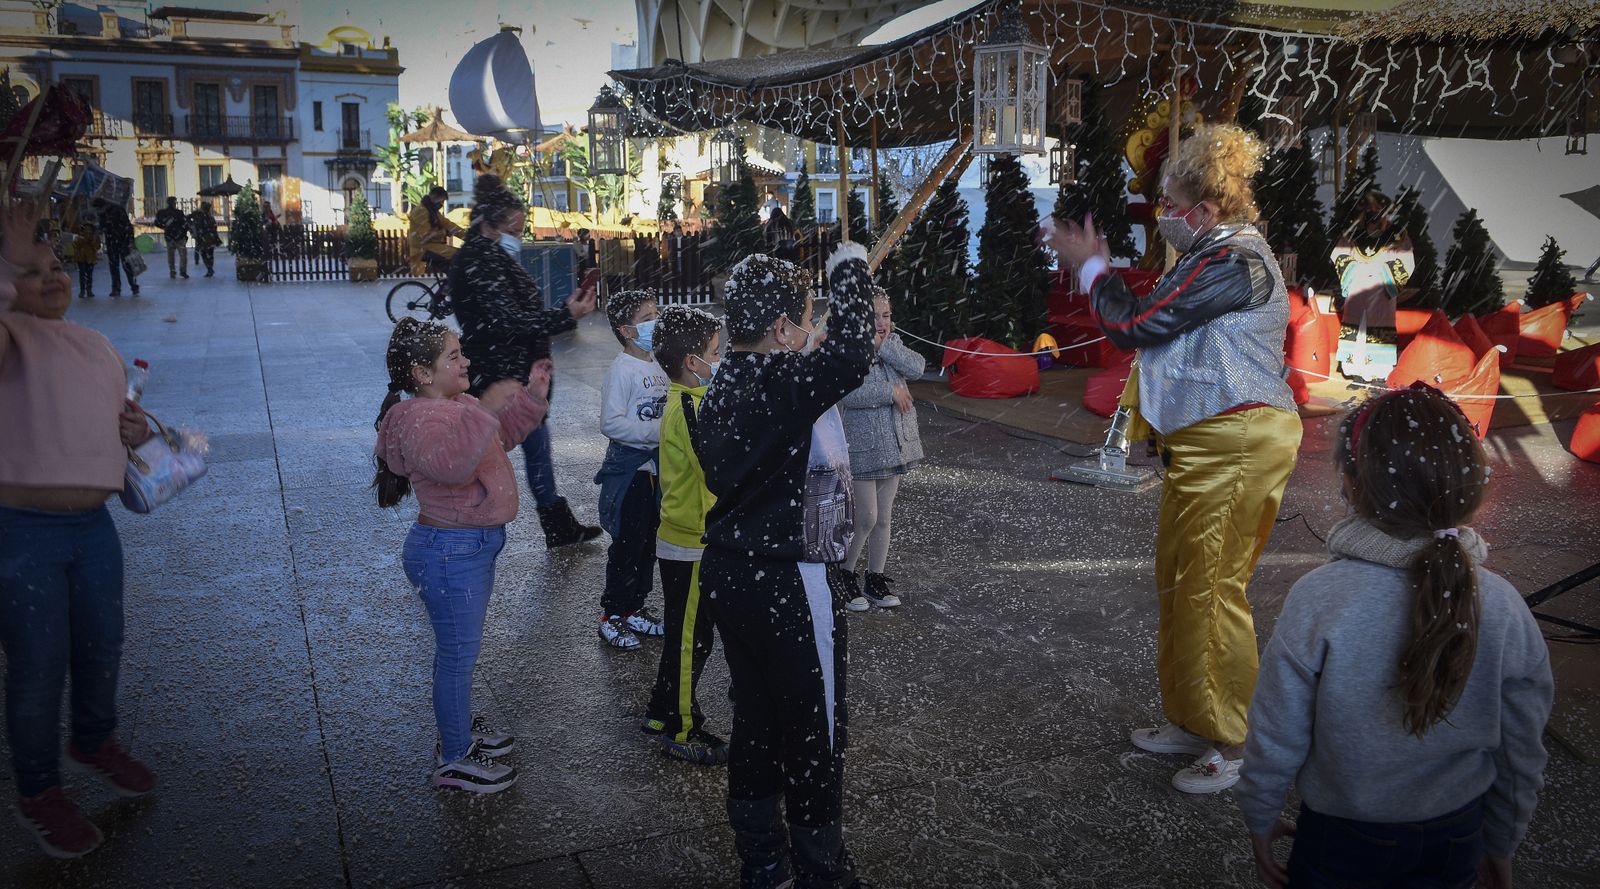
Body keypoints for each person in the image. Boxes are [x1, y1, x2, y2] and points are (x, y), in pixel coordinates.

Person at [1050, 123, 1301, 794]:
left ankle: (1234, 738)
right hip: (1205, 443)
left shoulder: (1235, 262)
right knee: (1180, 586)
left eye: (1167, 200)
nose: (1159, 212)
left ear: (1207, 210)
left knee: (1212, 591)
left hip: (1240, 438)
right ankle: (1193, 717)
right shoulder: (1210, 253)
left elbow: (1139, 323)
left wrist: (1091, 266)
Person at [1236, 385, 1553, 889]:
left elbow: (1277, 731)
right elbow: (1521, 751)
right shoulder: (1505, 607)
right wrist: (1501, 842)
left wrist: (1259, 812)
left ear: (1350, 483)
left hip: (1340, 837)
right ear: (1472, 489)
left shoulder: (1319, 599)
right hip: (1458, 836)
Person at [697, 244, 876, 889]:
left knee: (756, 717)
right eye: (799, 322)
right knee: (813, 724)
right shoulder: (784, 385)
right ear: (778, 330)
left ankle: (762, 860)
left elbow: (823, 361)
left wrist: (812, 330)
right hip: (787, 576)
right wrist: (852, 267)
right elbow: (853, 353)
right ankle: (822, 869)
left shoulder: (724, 383)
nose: (805, 333)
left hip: (730, 569)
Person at [1, 203, 158, 859]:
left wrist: (136, 431)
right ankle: (38, 788)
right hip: (22, 534)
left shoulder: (96, 344)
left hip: (94, 528)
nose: (52, 277)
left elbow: (123, 419)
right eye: (34, 273)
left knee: (102, 643)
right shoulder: (12, 339)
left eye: (58, 265)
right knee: (37, 666)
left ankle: (93, 737)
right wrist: (10, 261)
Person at [372, 318, 552, 793]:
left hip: (466, 546)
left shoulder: (457, 404)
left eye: (461, 352)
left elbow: (495, 441)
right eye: (453, 356)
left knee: (458, 654)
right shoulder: (418, 418)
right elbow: (451, 466)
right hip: (449, 552)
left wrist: (529, 400)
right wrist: (484, 409)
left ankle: (456, 731)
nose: (466, 361)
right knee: (457, 655)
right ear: (421, 374)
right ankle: (453, 757)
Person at [448, 173, 602, 548]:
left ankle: (555, 522)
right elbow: (505, 320)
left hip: (513, 372)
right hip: (500, 375)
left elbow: (508, 316)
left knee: (534, 446)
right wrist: (565, 316)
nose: (519, 236)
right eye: (514, 229)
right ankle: (466, 526)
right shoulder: (480, 260)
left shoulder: (488, 255)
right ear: (489, 224)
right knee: (488, 452)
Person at [641, 305, 730, 765]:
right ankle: (682, 727)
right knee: (692, 640)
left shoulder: (689, 401)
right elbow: (714, 471)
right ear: (693, 363)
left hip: (687, 538)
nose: (723, 358)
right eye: (716, 352)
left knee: (684, 632)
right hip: (692, 543)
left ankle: (661, 709)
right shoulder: (690, 407)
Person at [835, 287, 923, 612]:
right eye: (874, 316)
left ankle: (875, 576)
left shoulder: (892, 346)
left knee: (883, 518)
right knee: (866, 517)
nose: (881, 322)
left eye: (885, 315)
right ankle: (843, 574)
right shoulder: (849, 350)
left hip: (895, 447)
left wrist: (885, 348)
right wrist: (890, 390)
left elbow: (917, 367)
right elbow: (850, 393)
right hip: (863, 449)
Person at [594, 289, 668, 650]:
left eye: (656, 313)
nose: (656, 322)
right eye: (647, 318)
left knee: (648, 542)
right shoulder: (621, 371)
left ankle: (636, 606)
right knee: (628, 543)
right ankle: (612, 614)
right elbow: (611, 423)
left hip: (657, 471)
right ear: (626, 330)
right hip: (631, 472)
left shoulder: (657, 365)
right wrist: (656, 433)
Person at [407, 186, 463, 277]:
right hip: (424, 250)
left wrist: (467, 235)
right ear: (434, 197)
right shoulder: (421, 211)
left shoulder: (432, 211)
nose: (441, 204)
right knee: (458, 256)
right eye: (442, 201)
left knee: (457, 263)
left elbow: (448, 225)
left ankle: (452, 284)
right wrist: (444, 232)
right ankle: (452, 286)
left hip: (431, 248)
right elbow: (425, 236)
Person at [92, 197, 138, 298]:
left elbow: (127, 226)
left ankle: (133, 286)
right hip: (112, 242)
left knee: (126, 265)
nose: (97, 211)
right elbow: (103, 226)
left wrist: (131, 241)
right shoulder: (102, 213)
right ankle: (116, 289)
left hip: (122, 241)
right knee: (114, 266)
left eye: (98, 209)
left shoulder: (117, 209)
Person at [153, 196, 189, 279]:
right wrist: (183, 233)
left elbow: (157, 223)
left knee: (172, 255)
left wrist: (164, 226)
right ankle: (181, 271)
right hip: (178, 236)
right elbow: (184, 224)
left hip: (171, 236)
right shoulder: (178, 213)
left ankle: (173, 271)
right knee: (182, 255)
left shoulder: (163, 213)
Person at [67, 217, 99, 299]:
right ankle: (83, 290)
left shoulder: (94, 237)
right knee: (82, 274)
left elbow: (97, 246)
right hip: (81, 257)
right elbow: (75, 245)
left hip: (90, 258)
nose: (87, 232)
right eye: (86, 230)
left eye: (89, 230)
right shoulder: (79, 237)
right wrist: (82, 240)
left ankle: (88, 290)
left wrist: (92, 241)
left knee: (89, 274)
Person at [188, 201, 220, 278]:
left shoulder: (199, 216)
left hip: (203, 238)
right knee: (210, 254)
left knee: (203, 253)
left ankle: (209, 269)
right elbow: (214, 227)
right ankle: (210, 268)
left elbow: (189, 219)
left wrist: (192, 227)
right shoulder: (210, 217)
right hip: (210, 237)